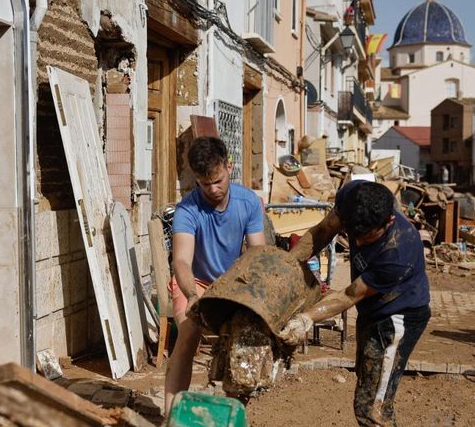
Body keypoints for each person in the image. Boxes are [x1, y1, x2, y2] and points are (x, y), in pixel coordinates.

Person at [281, 180, 430, 427]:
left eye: (368, 238)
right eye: (354, 235)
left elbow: (349, 295)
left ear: (388, 221)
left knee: (372, 408)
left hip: (397, 317)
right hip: (372, 311)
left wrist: (305, 318)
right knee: (366, 380)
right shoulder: (353, 198)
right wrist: (287, 268)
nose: (358, 244)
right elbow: (323, 231)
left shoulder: (398, 253)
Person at [164, 137, 265, 413]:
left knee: (245, 342)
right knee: (186, 335)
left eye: (218, 180)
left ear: (228, 167)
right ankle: (171, 415)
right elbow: (182, 261)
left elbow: (257, 255)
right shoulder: (188, 209)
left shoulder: (249, 202)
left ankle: (230, 411)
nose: (213, 189)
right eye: (204, 183)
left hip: (233, 282)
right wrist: (193, 296)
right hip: (195, 282)